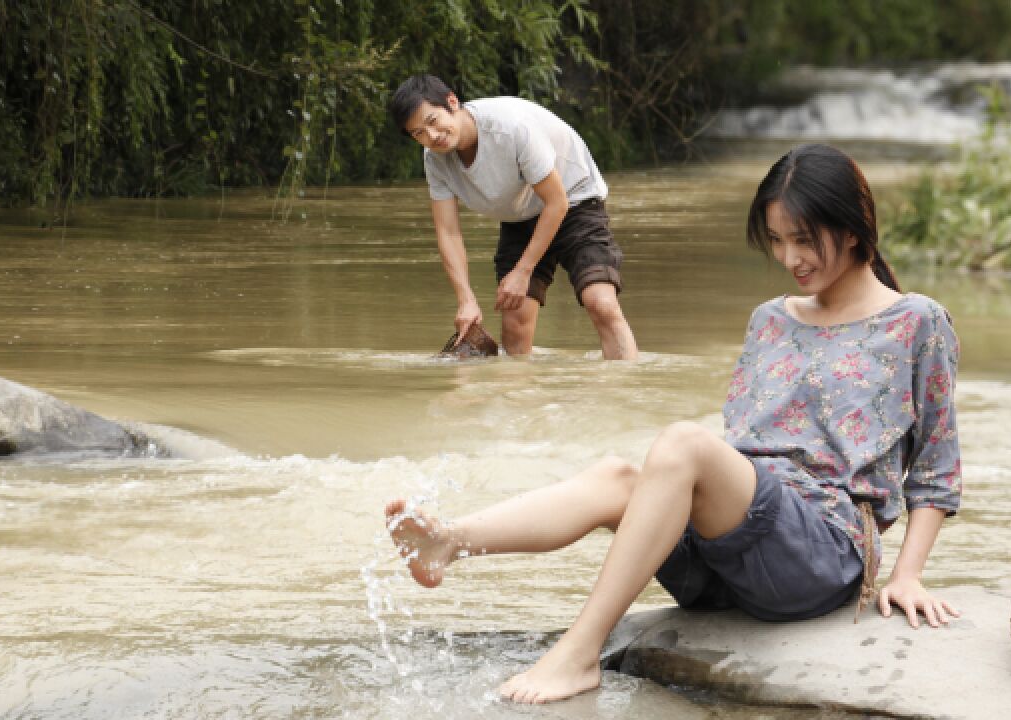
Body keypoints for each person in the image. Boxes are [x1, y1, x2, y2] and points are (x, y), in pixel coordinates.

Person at [384, 143, 963, 704]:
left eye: (805, 240)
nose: (791, 259)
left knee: (686, 442)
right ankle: (447, 544)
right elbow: (746, 452)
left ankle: (579, 654)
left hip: (822, 552)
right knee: (618, 477)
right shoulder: (770, 319)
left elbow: (935, 469)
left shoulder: (917, 322)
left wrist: (906, 575)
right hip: (733, 557)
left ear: (855, 227)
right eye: (779, 241)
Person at [388, 75, 639, 360]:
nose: (432, 137)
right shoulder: (435, 160)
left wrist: (523, 271)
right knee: (515, 323)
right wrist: (466, 300)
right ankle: (517, 399)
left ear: (452, 102)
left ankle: (624, 393)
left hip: (574, 201)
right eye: (419, 133)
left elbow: (557, 203)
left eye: (433, 121)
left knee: (601, 303)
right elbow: (448, 232)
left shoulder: (511, 128)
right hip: (520, 215)